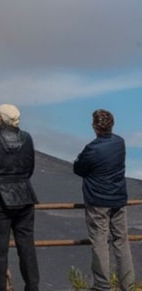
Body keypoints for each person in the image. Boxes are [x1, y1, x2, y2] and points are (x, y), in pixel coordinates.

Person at [0, 104, 39, 291]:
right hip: (25, 196)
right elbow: (30, 168)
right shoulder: (27, 139)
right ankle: (32, 286)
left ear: (0, 118)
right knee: (26, 245)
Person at [73, 109, 134, 291]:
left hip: (98, 201)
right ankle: (128, 284)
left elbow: (79, 168)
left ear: (94, 126)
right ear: (112, 124)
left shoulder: (92, 149)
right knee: (121, 240)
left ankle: (101, 285)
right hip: (118, 198)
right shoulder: (120, 143)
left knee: (100, 241)